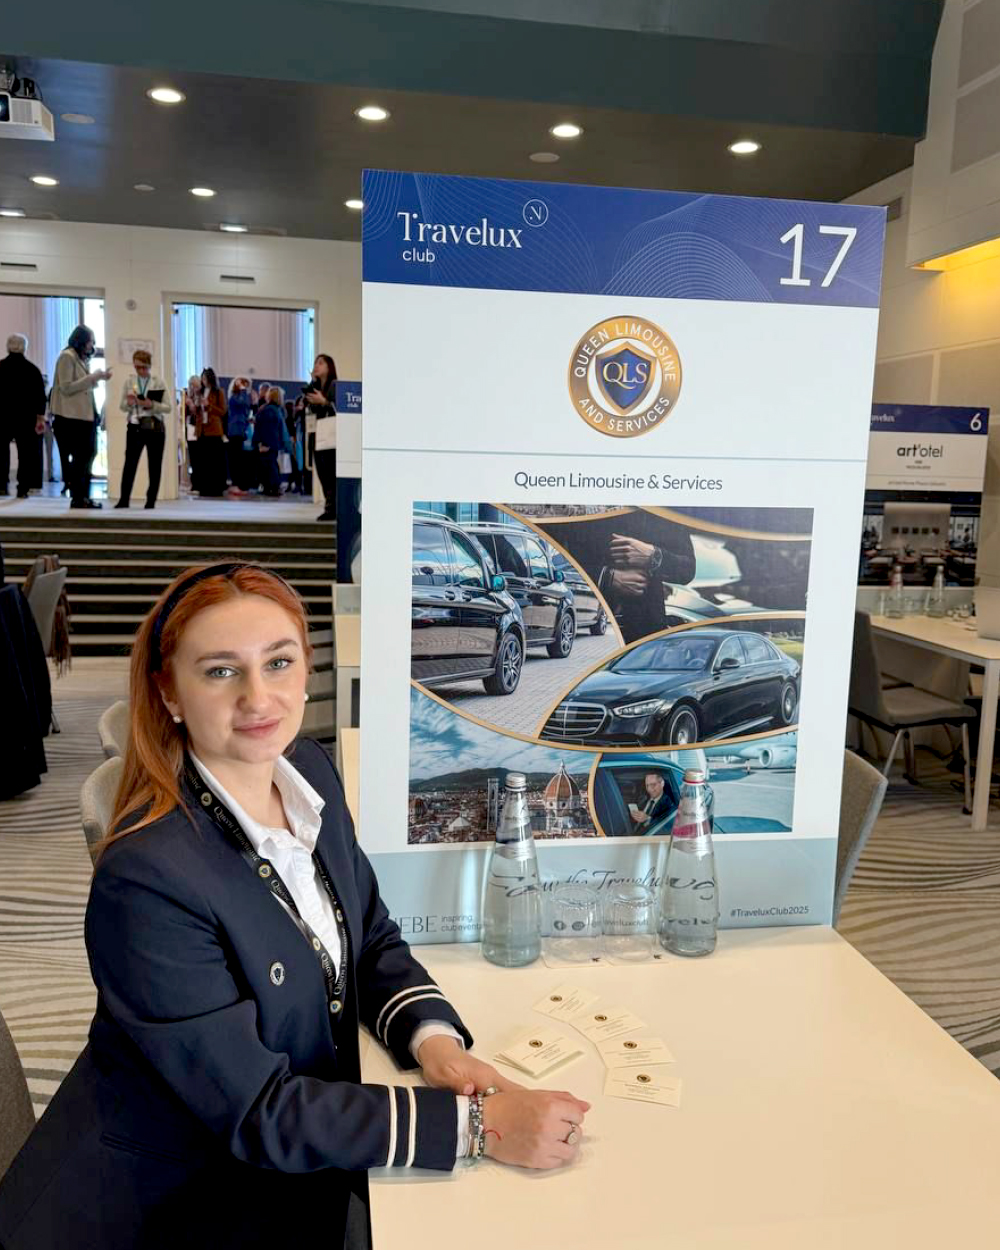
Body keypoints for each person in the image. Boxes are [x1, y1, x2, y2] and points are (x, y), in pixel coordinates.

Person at [0, 562, 589, 1249]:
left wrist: (432, 1042)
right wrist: (477, 1128)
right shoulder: (146, 880)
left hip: (287, 1163)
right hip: (173, 1202)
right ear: (169, 692)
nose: (259, 697)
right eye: (221, 671)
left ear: (307, 668)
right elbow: (257, 1110)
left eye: (278, 663)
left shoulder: (306, 771)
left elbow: (367, 934)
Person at [50, 324, 113, 509]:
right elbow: (66, 387)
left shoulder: (79, 359)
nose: (92, 346)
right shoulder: (66, 357)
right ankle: (78, 497)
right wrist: (93, 377)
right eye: (90, 342)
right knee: (81, 458)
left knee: (89, 455)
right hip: (71, 417)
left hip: (84, 417)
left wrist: (97, 377)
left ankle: (84, 496)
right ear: (81, 341)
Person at [115, 349, 170, 510]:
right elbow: (122, 406)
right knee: (129, 464)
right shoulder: (129, 382)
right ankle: (124, 499)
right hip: (135, 426)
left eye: (143, 367)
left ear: (149, 366)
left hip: (154, 427)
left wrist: (151, 404)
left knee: (154, 465)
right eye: (137, 367)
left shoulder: (158, 382)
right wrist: (129, 403)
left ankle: (150, 500)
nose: (140, 371)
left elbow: (168, 407)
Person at [0, 334, 47, 498]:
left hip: (2, 417)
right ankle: (23, 488)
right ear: (24, 348)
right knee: (26, 454)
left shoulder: (0, 367)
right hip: (25, 418)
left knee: (1, 452)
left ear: (8, 347)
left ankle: (1, 485)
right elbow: (40, 397)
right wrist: (40, 417)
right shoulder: (32, 370)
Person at [302, 353, 337, 522]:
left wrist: (324, 402)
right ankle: (329, 507)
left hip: (330, 435)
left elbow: (339, 409)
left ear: (329, 367)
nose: (316, 366)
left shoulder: (335, 386)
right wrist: (313, 383)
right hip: (316, 435)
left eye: (321, 363)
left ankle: (331, 509)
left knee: (330, 474)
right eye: (316, 362)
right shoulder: (315, 386)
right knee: (322, 474)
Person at [195, 367, 228, 497]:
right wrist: (196, 406)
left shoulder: (219, 392)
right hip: (201, 430)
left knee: (215, 462)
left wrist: (209, 406)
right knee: (203, 461)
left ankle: (216, 488)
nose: (203, 381)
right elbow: (197, 412)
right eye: (202, 378)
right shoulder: (200, 392)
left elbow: (222, 411)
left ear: (210, 379)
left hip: (214, 431)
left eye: (205, 378)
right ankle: (204, 488)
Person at [253, 387, 289, 497]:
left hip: (267, 443)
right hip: (274, 443)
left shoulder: (268, 410)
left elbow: (266, 429)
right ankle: (272, 487)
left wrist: (263, 444)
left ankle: (272, 487)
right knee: (271, 465)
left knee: (268, 466)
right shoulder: (277, 410)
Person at [224, 377, 254, 497]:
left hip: (240, 430)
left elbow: (245, 407)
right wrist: (243, 390)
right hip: (235, 430)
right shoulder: (234, 397)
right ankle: (236, 483)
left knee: (238, 459)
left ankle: (239, 484)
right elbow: (241, 403)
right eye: (243, 384)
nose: (245, 387)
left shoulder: (243, 397)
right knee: (235, 459)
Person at [183, 375, 201, 493]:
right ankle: (194, 484)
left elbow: (198, 412)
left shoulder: (200, 397)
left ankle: (198, 484)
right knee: (192, 457)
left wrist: (191, 404)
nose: (193, 388)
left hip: (198, 429)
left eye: (195, 386)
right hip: (189, 428)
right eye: (191, 385)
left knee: (198, 458)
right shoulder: (188, 397)